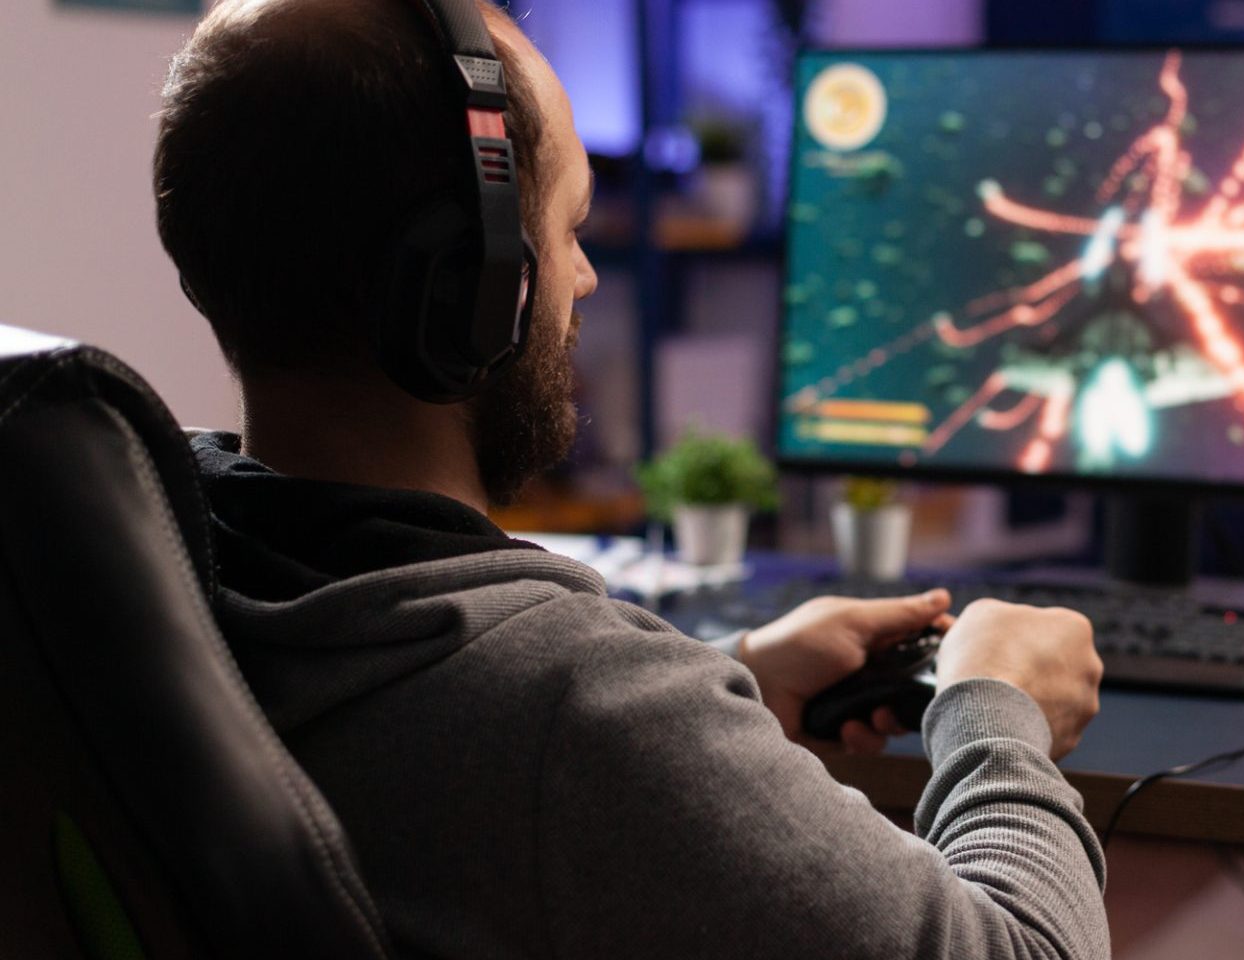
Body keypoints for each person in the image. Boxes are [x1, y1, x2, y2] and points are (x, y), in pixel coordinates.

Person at [151, 0, 1109, 957]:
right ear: (473, 292)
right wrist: (996, 713)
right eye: (570, 230)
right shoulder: (574, 717)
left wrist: (717, 681)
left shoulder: (151, 574)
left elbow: (470, 751)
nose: (585, 278)